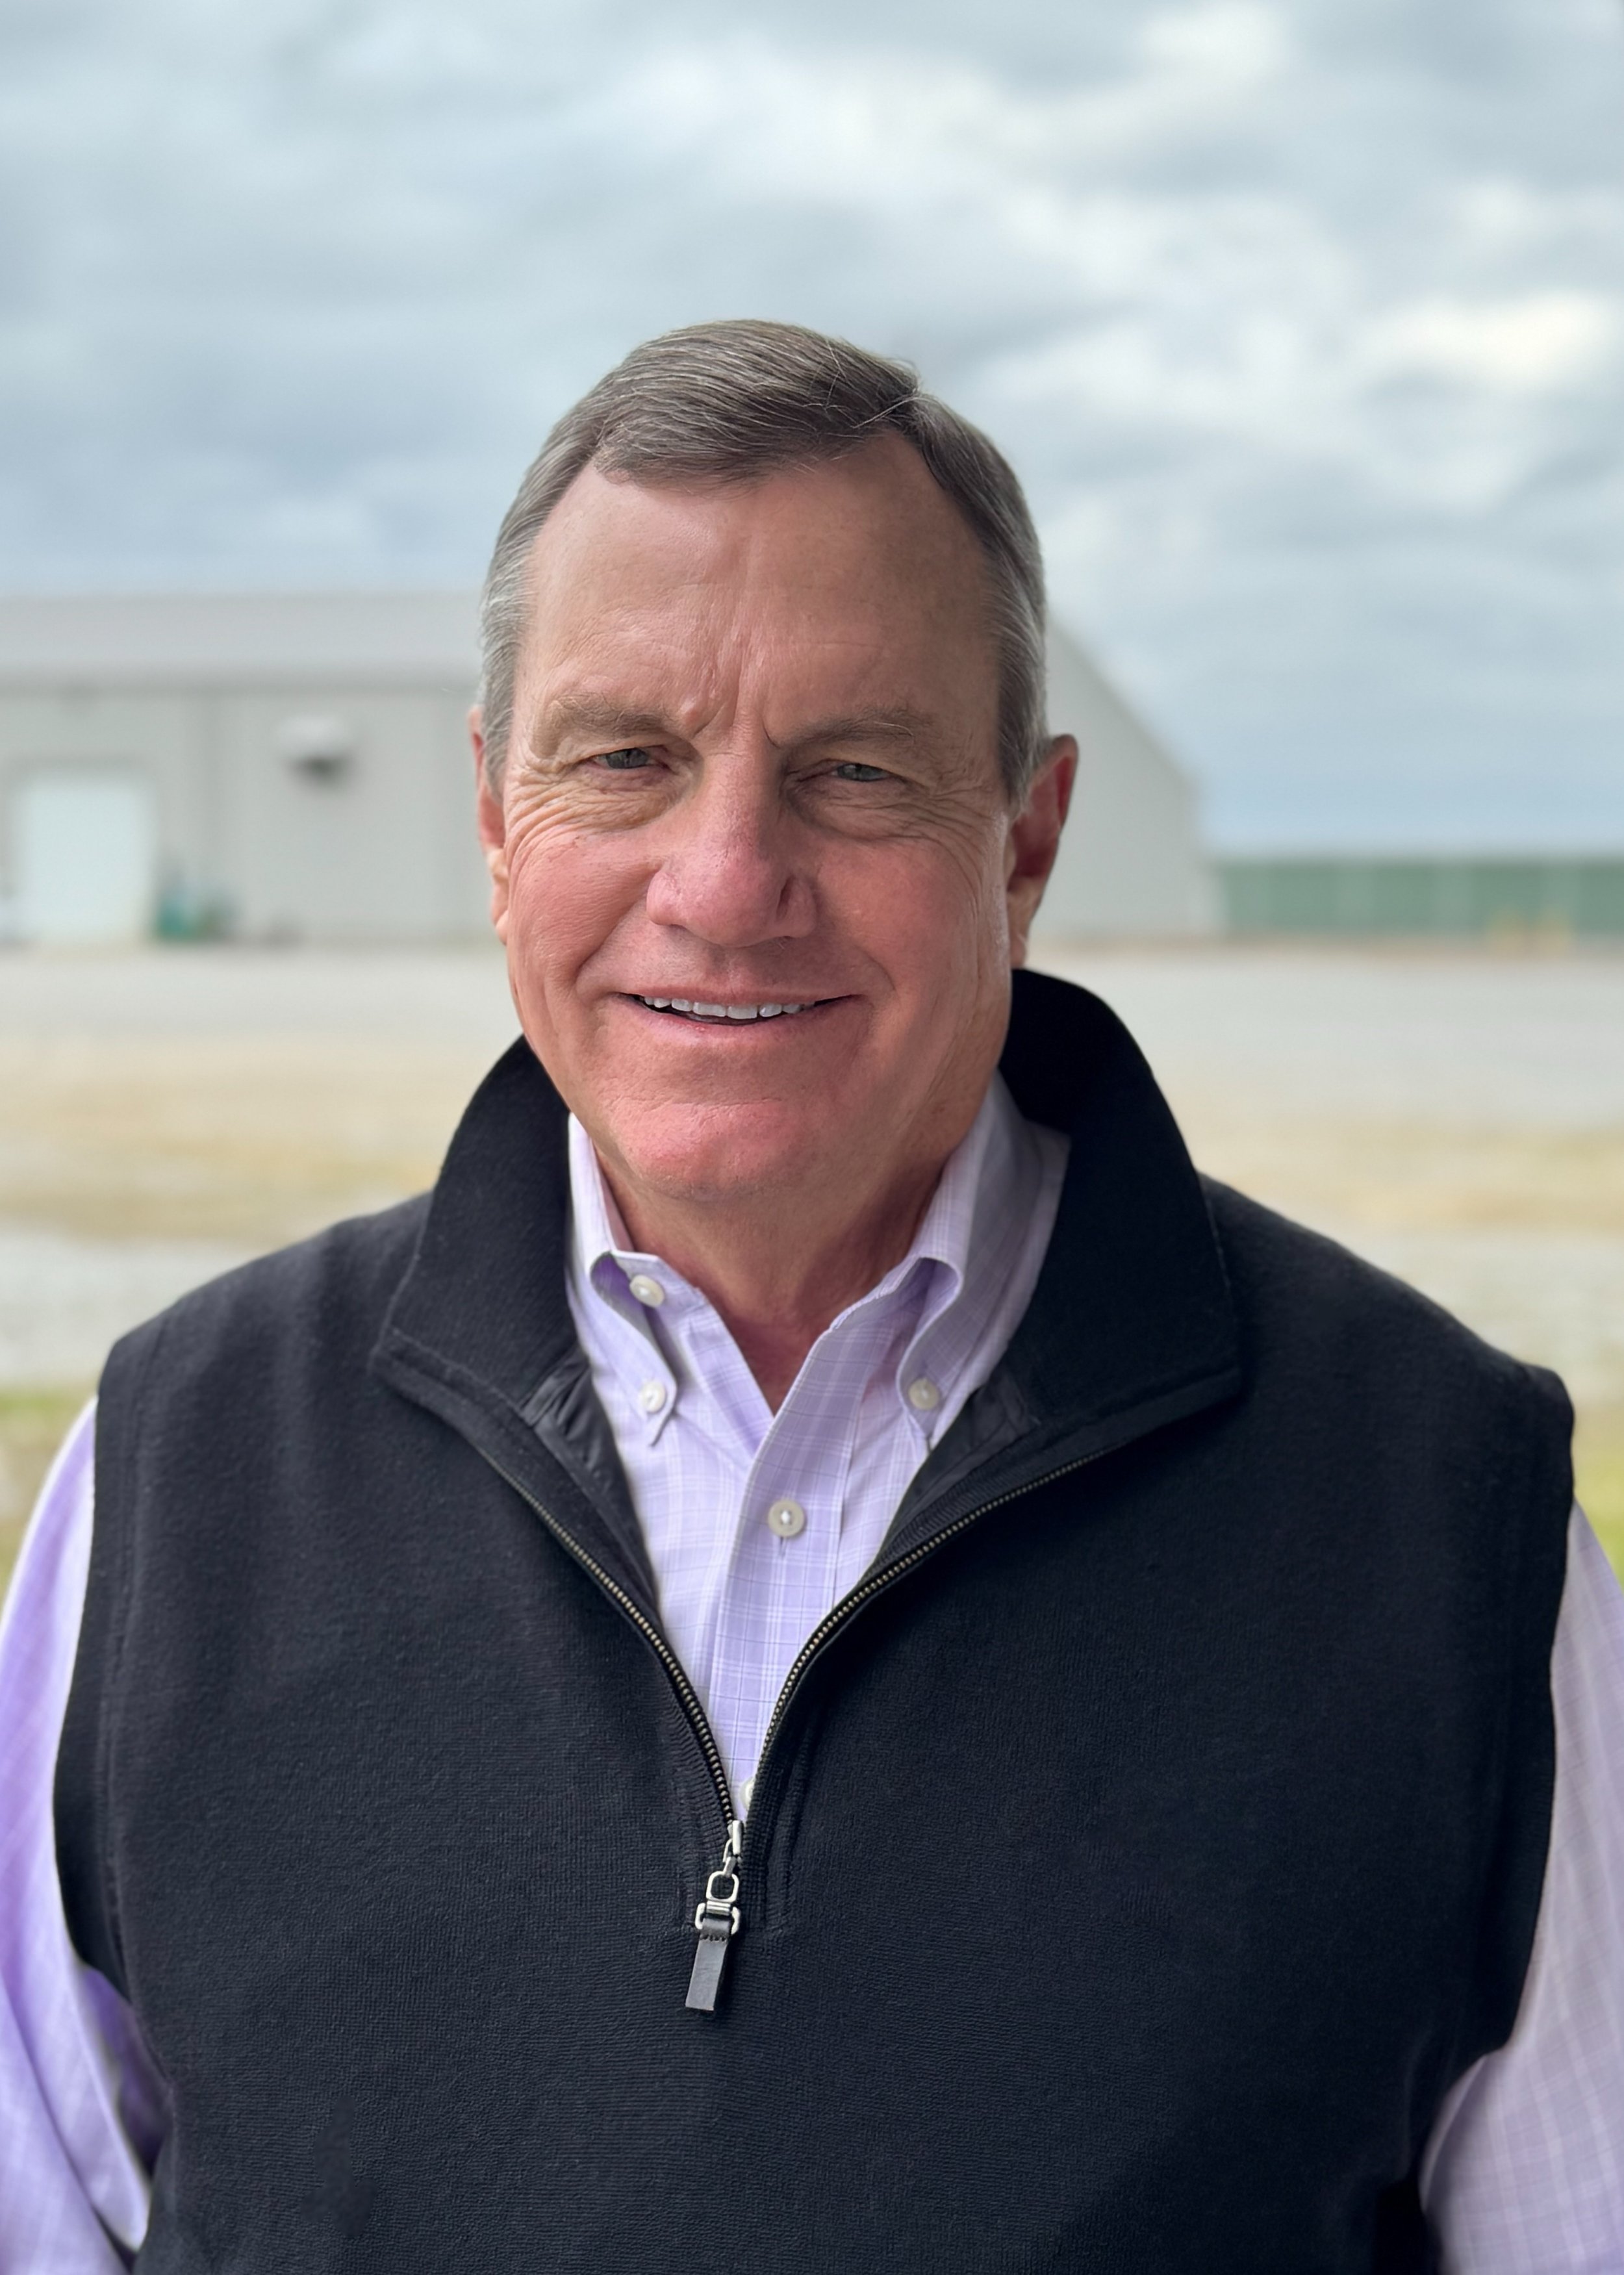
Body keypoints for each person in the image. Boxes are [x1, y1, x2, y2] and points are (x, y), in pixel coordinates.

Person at [1, 320, 1619, 2273]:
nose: (726, 876)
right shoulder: (176, 1481)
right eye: (625, 759)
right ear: (498, 823)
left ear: (1023, 839)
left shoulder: (1440, 1519)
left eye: (852, 771)